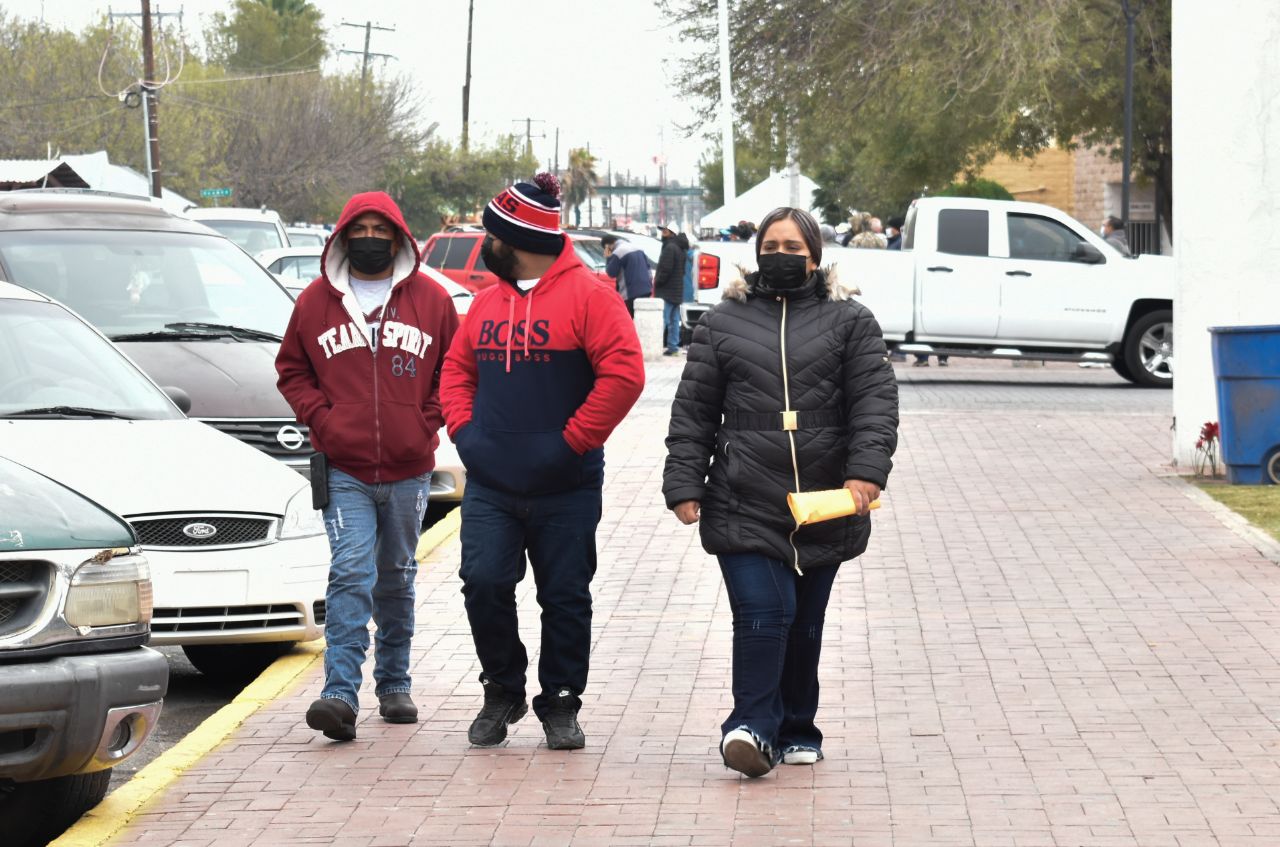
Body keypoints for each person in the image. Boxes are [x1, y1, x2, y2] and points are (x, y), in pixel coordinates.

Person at [663, 206, 899, 778]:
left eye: (795, 246)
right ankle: (751, 728)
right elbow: (695, 410)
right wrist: (683, 481)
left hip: (826, 498)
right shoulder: (723, 321)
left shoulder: (851, 321)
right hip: (744, 494)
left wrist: (866, 472)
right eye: (772, 245)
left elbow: (874, 403)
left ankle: (798, 726)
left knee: (805, 621)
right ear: (757, 251)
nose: (782, 255)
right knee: (766, 611)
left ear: (816, 253)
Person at [440, 173, 645, 751]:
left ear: (514, 240)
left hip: (566, 485)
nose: (484, 244)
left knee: (564, 595)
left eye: (490, 235)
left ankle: (560, 699)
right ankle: (501, 688)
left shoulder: (591, 297)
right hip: (491, 484)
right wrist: (465, 432)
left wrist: (571, 442)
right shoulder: (485, 303)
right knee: (482, 582)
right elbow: (456, 372)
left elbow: (625, 375)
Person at [276, 192, 459, 742]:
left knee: (397, 575)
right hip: (345, 466)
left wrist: (426, 420)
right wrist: (325, 420)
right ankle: (338, 693)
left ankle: (395, 682)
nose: (371, 238)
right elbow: (292, 370)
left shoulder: (431, 300)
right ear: (343, 236)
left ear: (399, 235)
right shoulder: (315, 302)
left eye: (382, 228)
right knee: (352, 570)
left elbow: (455, 370)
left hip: (409, 466)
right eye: (362, 228)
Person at [654, 222, 688, 356]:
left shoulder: (669, 247)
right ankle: (673, 347)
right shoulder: (681, 248)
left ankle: (655, 346)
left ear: (672, 233)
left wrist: (658, 281)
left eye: (665, 231)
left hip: (667, 290)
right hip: (677, 289)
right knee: (674, 321)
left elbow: (665, 269)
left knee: (663, 320)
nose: (662, 233)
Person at [602, 234, 652, 317]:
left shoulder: (618, 252)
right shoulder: (637, 247)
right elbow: (648, 268)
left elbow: (611, 273)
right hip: (646, 289)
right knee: (642, 318)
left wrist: (608, 257)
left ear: (608, 246)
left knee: (630, 319)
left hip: (630, 292)